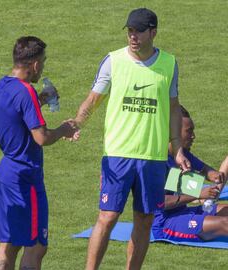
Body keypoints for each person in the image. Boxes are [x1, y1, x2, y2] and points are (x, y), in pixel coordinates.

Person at [72, 8, 191, 270]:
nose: (132, 36)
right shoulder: (113, 61)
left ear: (153, 33)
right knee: (108, 216)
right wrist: (78, 121)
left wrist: (178, 148)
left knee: (145, 218)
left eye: (138, 31)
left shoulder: (169, 64)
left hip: (152, 157)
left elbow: (173, 108)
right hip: (118, 155)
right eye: (129, 31)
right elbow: (93, 99)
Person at [0, 36, 78, 270]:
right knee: (36, 246)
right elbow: (41, 137)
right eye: (44, 62)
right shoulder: (26, 91)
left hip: (5, 173)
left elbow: (16, 114)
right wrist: (63, 130)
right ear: (36, 65)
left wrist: (41, 99)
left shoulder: (0, 86)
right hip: (25, 177)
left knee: (8, 245)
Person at [152, 106, 228, 241]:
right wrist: (198, 194)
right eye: (189, 131)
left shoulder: (182, 154)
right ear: (173, 132)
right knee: (225, 224)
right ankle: (208, 230)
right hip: (165, 224)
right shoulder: (157, 163)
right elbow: (160, 202)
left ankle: (208, 230)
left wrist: (213, 174)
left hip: (183, 212)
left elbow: (204, 169)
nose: (193, 136)